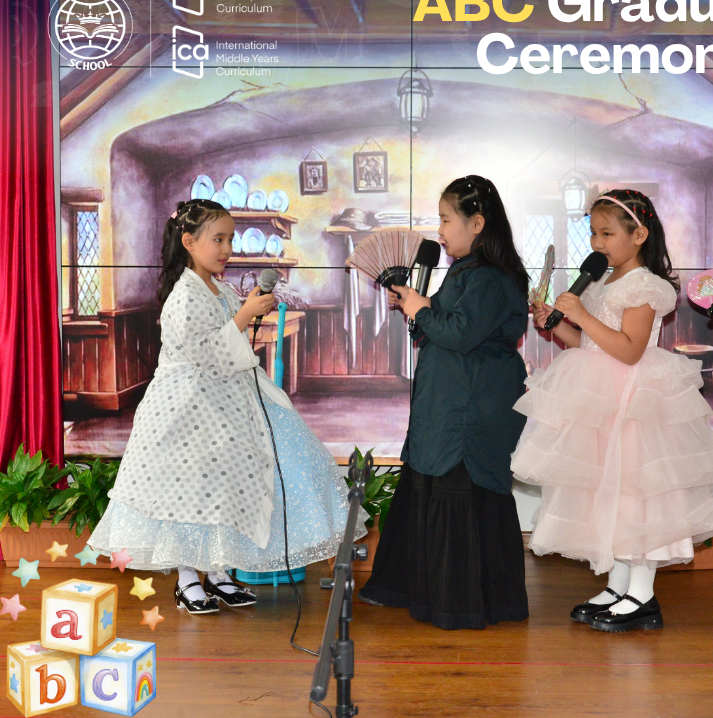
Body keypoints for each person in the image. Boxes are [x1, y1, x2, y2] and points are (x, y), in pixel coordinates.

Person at [89, 199, 365, 614]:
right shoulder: (184, 294)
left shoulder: (219, 289)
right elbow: (204, 351)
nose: (226, 248)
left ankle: (217, 572)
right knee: (188, 490)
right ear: (188, 241)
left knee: (221, 487)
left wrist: (245, 308)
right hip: (187, 409)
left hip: (224, 403)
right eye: (217, 239)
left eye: (230, 239)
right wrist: (244, 315)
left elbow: (228, 343)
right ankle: (187, 579)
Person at [511, 189, 713, 633]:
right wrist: (558, 324)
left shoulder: (645, 285)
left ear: (639, 235)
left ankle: (643, 595)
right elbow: (589, 344)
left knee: (636, 495)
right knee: (607, 493)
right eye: (593, 233)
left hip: (634, 401)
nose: (597, 243)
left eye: (607, 233)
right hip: (601, 400)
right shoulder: (601, 282)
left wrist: (582, 316)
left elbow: (629, 350)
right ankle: (618, 584)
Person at [357, 175, 530, 630]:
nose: (440, 230)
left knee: (462, 489)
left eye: (446, 220)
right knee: (430, 483)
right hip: (448, 399)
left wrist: (422, 308)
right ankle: (415, 590)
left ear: (477, 223)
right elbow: (443, 325)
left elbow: (462, 333)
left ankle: (460, 602)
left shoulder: (490, 276)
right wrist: (417, 306)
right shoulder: (465, 269)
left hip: (470, 407)